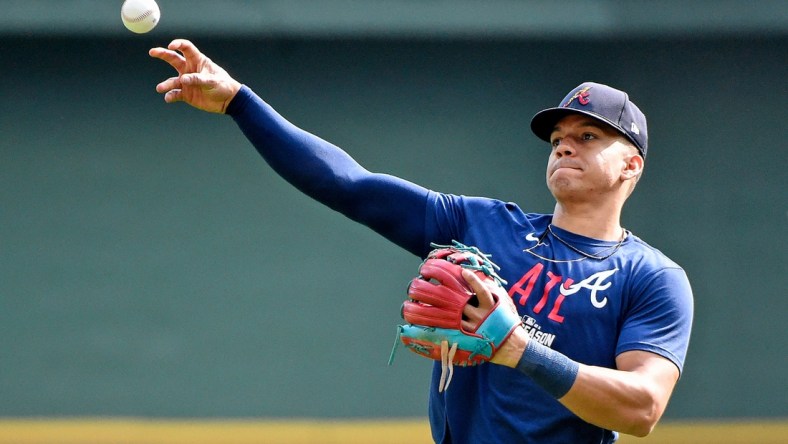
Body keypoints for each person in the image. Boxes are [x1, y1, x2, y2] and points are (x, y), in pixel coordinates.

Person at [149, 39, 693, 443]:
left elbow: (642, 408)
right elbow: (351, 186)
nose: (564, 147)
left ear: (631, 163)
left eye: (587, 136)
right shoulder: (485, 227)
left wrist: (521, 351)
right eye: (557, 138)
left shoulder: (651, 277)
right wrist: (240, 103)